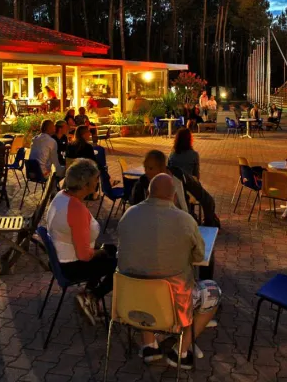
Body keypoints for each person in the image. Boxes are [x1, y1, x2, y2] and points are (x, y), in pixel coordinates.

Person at [118, 173, 221, 369]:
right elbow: (199, 256)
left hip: (130, 301)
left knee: (143, 276)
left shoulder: (128, 215)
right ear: (174, 196)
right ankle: (180, 351)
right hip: (171, 305)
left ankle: (150, 345)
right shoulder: (185, 220)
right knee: (213, 292)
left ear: (148, 193)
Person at [45, 159, 116, 324]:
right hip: (72, 267)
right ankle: (93, 296)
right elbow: (85, 256)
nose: (98, 183)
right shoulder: (76, 209)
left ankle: (88, 294)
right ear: (86, 184)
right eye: (96, 179)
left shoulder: (61, 196)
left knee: (111, 249)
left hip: (60, 259)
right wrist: (100, 252)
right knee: (120, 265)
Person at [131, 150, 220, 228]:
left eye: (150, 168)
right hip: (155, 231)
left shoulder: (180, 177)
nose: (146, 172)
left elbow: (206, 199)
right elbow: (135, 213)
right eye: (145, 168)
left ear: (163, 168)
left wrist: (208, 223)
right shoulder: (141, 185)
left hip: (183, 227)